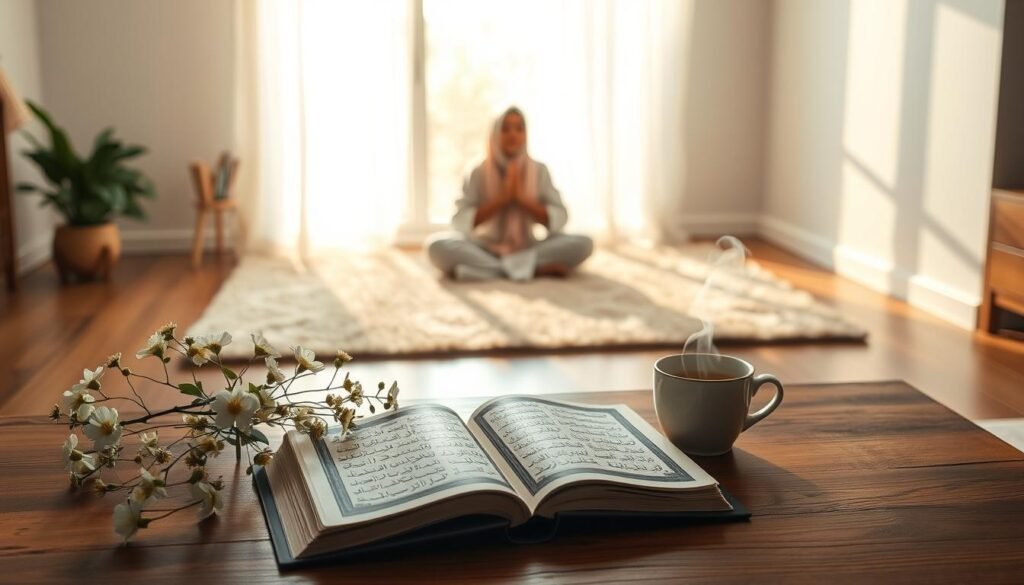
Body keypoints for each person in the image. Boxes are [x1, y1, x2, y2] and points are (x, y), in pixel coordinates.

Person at [426, 107, 593, 281]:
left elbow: (560, 219)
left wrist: (521, 198)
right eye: (505, 129)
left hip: (528, 246)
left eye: (519, 128)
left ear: (526, 134)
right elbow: (459, 222)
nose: (513, 134)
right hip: (485, 248)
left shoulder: (539, 170)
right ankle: (532, 269)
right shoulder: (478, 171)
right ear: (495, 134)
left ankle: (488, 270)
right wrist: (502, 199)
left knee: (584, 243)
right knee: (436, 246)